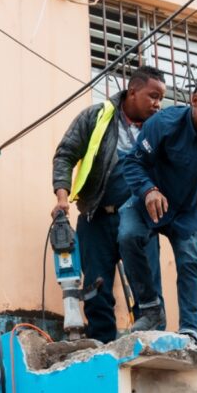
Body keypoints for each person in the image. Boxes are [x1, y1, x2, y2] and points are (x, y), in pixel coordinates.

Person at [119, 71, 197, 338]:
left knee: (190, 263)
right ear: (194, 100)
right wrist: (148, 190)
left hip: (187, 211)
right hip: (148, 200)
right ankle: (151, 309)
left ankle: (189, 331)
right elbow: (133, 162)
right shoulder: (164, 124)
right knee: (128, 236)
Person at [51, 66, 166, 343]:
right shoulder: (97, 116)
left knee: (147, 287)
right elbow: (65, 154)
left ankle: (150, 345)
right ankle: (101, 349)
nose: (158, 104)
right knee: (96, 289)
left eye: (161, 98)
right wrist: (62, 198)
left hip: (140, 219)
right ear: (133, 91)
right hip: (96, 218)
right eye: (153, 96)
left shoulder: (161, 128)